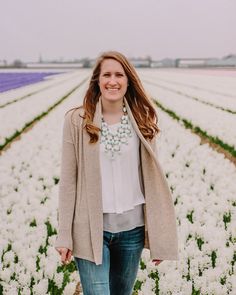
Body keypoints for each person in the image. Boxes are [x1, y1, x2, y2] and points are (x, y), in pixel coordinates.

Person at [55, 51, 179, 295]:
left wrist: (159, 238)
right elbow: (68, 181)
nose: (113, 81)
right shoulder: (77, 120)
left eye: (119, 75)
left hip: (131, 231)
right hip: (90, 229)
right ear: (97, 81)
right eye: (107, 75)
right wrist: (64, 236)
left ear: (128, 80)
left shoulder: (143, 121)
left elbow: (152, 181)